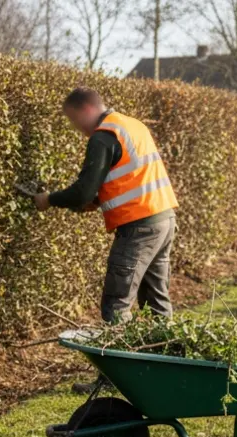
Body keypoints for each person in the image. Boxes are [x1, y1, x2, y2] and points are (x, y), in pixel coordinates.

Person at [33, 86, 178, 323]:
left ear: (86, 109)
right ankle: (168, 346)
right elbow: (132, 174)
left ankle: (121, 348)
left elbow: (82, 192)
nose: (76, 128)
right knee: (156, 302)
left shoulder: (103, 136)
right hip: (164, 219)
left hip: (139, 228)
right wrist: (98, 200)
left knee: (116, 305)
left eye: (73, 120)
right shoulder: (132, 125)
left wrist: (49, 199)